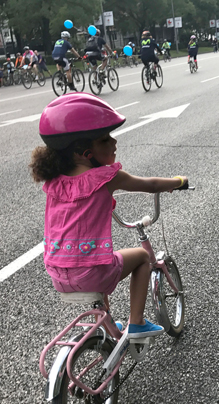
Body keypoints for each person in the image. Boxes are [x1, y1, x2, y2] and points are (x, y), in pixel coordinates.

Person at [30, 93, 189, 338]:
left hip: (57, 274)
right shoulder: (106, 177)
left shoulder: (54, 181)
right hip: (90, 273)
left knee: (93, 257)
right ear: (83, 153)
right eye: (105, 139)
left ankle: (109, 331)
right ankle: (136, 322)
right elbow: (151, 184)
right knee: (142, 257)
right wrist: (179, 181)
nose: (114, 142)